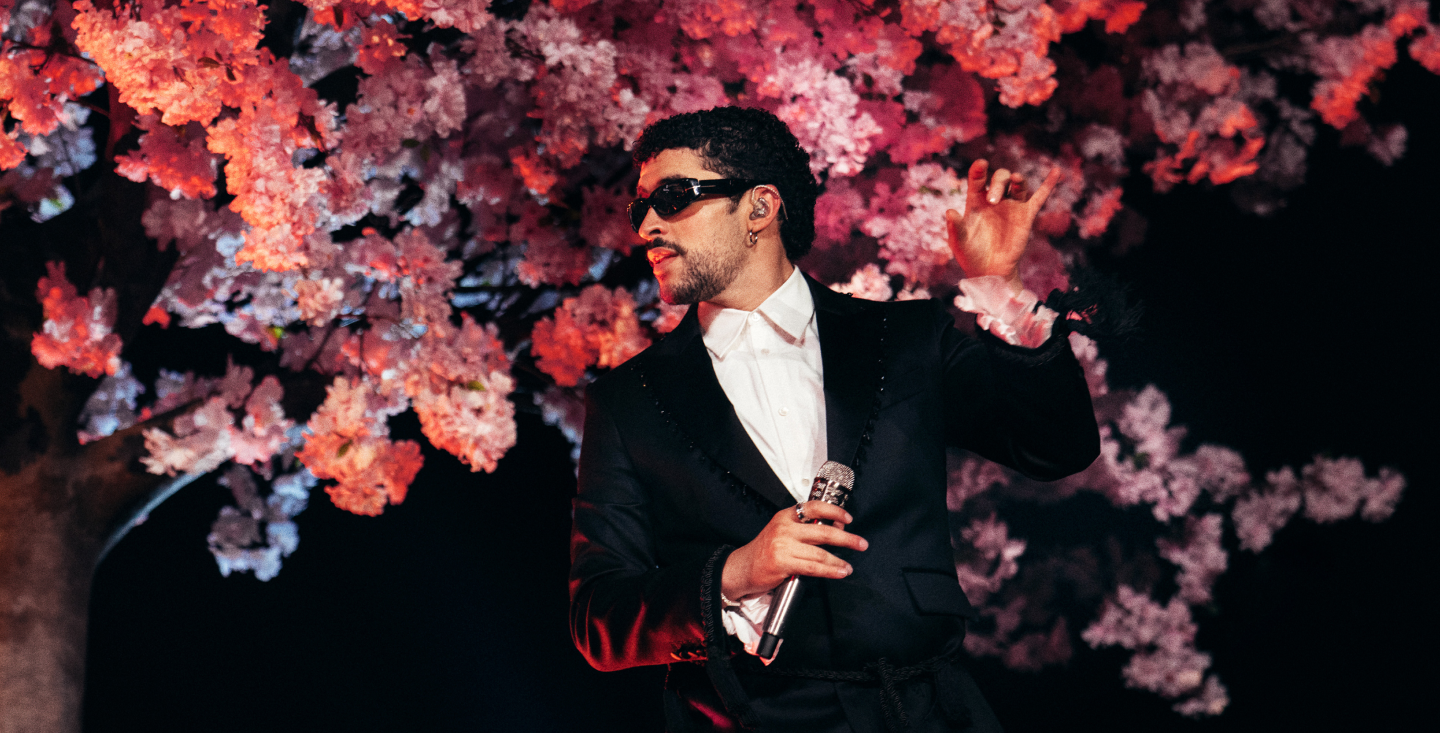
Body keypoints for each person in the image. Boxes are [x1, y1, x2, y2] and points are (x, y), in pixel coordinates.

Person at [569, 106, 1100, 732]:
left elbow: (1057, 447)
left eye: (674, 198)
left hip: (931, 713)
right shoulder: (627, 402)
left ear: (760, 208)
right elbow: (598, 618)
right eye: (641, 208)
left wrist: (998, 284)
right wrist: (737, 571)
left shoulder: (905, 339)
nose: (647, 225)